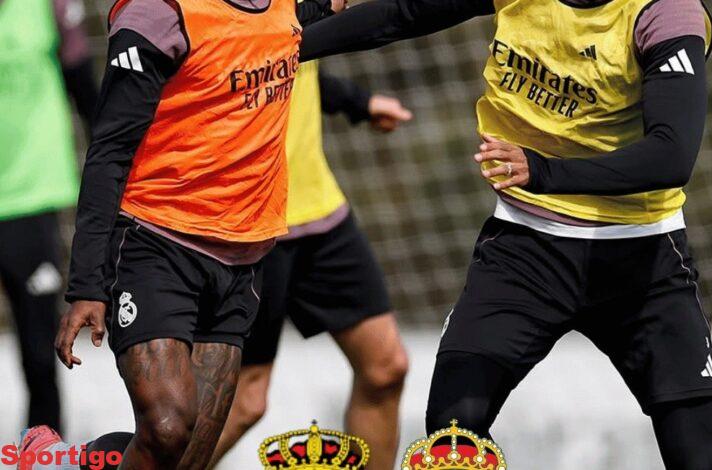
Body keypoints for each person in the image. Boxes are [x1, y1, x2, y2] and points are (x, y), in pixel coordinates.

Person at [299, 0, 712, 468]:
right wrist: (286, 44)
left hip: (642, 258)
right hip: (525, 250)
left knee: (696, 456)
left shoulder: (664, 12)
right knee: (453, 435)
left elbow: (672, 155)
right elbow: (404, 13)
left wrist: (543, 171)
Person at [17, 0, 343, 468]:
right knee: (167, 427)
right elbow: (109, 148)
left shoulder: (279, 8)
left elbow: (374, 20)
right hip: (155, 242)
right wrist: (87, 284)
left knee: (187, 457)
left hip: (240, 258)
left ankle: (60, 461)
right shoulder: (156, 13)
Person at [210, 61, 412, 469]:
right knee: (246, 399)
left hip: (321, 213)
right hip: (250, 225)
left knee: (385, 368)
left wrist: (356, 101)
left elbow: (298, 61)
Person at [0, 0, 98, 433]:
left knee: (40, 352)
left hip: (31, 194)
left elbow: (86, 91)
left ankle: (40, 455)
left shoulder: (48, 6)